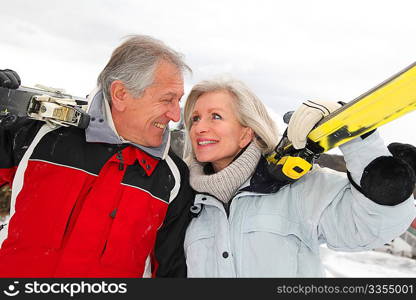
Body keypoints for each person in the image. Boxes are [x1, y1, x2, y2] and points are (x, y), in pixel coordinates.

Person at [0, 35, 194, 277]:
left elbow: (170, 273)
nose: (176, 115)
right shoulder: (41, 134)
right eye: (167, 100)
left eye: (178, 101)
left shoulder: (173, 178)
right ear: (121, 94)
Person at [182, 77, 416, 277]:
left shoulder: (298, 190)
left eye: (215, 116)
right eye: (195, 118)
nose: (199, 128)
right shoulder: (183, 202)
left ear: (246, 132)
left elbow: (373, 225)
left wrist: (356, 138)